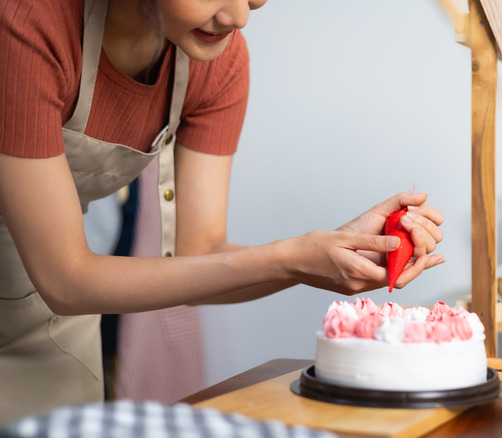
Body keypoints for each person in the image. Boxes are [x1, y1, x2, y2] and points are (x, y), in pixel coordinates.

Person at [0, 0, 445, 424]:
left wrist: (330, 252)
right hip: (61, 286)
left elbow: (202, 252)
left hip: (54, 326)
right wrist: (293, 257)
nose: (238, 16)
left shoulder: (218, 62)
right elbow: (65, 278)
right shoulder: (27, 26)